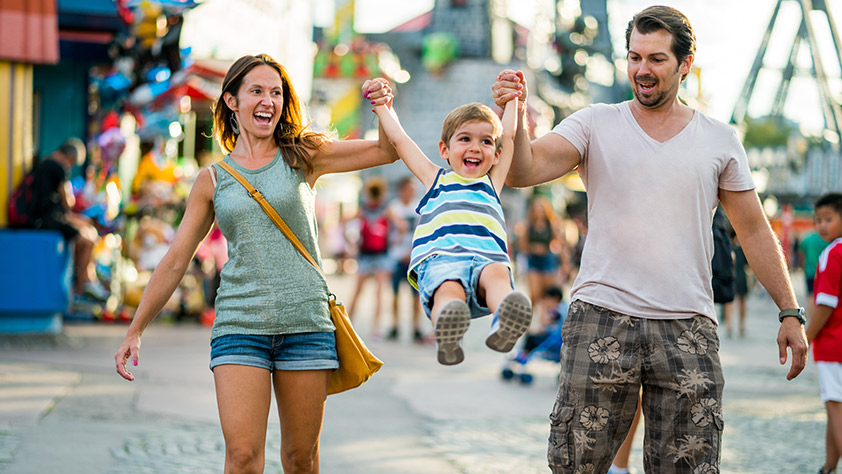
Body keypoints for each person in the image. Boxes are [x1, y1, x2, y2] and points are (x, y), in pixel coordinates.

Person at [493, 6, 808, 472]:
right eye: (634, 56)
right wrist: (513, 115)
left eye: (657, 59)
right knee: (575, 464)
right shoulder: (594, 122)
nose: (642, 69)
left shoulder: (720, 140)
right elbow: (524, 170)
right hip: (601, 318)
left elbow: (754, 229)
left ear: (685, 63)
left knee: (690, 466)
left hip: (688, 327)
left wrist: (789, 310)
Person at [114, 54, 398, 473]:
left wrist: (383, 106)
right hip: (239, 325)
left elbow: (385, 151)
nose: (269, 101)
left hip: (306, 325)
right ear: (232, 101)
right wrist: (135, 330)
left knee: (301, 459)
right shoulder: (213, 179)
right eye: (257, 91)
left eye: (276, 92)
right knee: (242, 458)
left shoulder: (304, 155)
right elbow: (175, 261)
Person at [366, 84, 532, 365]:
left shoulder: (491, 183)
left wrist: (513, 99)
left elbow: (511, 135)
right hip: (443, 258)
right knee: (448, 288)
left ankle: (507, 319)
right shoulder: (435, 180)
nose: (476, 148)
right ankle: (448, 333)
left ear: (497, 154)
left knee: (498, 277)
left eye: (487, 142)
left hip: (487, 258)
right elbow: (402, 140)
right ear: (444, 149)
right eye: (465, 139)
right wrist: (383, 105)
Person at [27, 138, 109, 301]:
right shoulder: (59, 167)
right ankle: (82, 286)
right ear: (71, 158)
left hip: (43, 216)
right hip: (47, 219)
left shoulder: (44, 162)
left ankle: (88, 279)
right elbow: (68, 202)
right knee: (87, 239)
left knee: (88, 229)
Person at [805, 192, 842, 474]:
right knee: (835, 407)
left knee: (835, 408)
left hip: (833, 345)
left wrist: (805, 337)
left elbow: (826, 304)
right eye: (818, 220)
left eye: (828, 219)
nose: (822, 226)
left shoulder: (832, 254)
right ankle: (829, 467)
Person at [346, 176, 393, 338]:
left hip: (377, 254)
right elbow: (402, 226)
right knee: (362, 291)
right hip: (370, 254)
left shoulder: (377, 210)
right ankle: (353, 323)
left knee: (375, 292)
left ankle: (372, 327)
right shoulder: (376, 210)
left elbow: (346, 222)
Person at [386, 175, 425, 343]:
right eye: (409, 188)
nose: (412, 191)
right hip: (396, 256)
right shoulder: (393, 207)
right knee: (394, 294)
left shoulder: (419, 206)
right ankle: (395, 325)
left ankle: (416, 327)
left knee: (415, 295)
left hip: (413, 257)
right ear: (402, 190)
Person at [516, 196, 564, 317]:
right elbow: (522, 245)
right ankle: (529, 319)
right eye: (537, 208)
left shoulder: (551, 225)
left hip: (547, 260)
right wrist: (534, 248)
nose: (539, 211)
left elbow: (560, 242)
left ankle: (544, 322)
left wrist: (563, 261)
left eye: (541, 208)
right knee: (535, 294)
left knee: (546, 294)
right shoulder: (528, 225)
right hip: (533, 260)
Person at [723, 233, 750, 338]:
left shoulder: (727, 248)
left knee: (729, 302)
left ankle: (729, 325)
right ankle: (741, 325)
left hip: (730, 276)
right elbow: (748, 264)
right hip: (741, 275)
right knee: (742, 301)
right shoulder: (742, 249)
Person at [800, 229, 830, 316]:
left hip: (810, 271)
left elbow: (801, 251)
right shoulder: (827, 240)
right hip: (824, 272)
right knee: (823, 297)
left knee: (810, 295)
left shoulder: (808, 239)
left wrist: (802, 264)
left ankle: (812, 317)